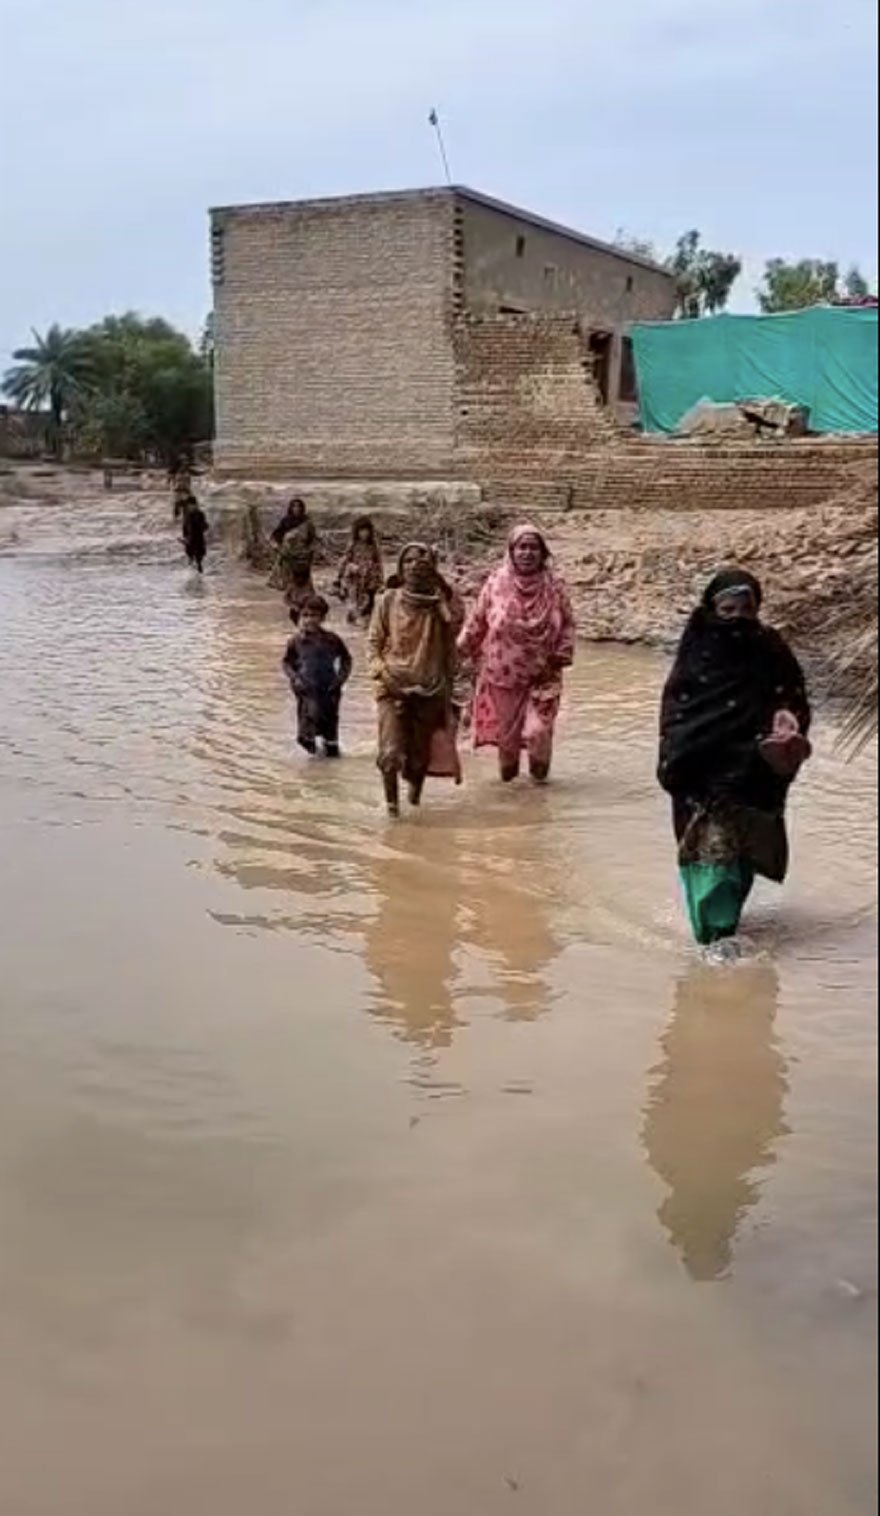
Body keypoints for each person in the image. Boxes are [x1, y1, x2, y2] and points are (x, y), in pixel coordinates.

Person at [657, 568, 812, 951]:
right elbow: (677, 711)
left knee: (740, 857)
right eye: (728, 609)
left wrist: (789, 719)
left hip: (753, 769)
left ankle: (725, 930)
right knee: (711, 856)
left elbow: (792, 697)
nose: (737, 618)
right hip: (701, 771)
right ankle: (715, 940)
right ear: (712, 609)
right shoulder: (698, 650)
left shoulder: (771, 648)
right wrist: (676, 759)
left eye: (747, 610)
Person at [457, 524, 576, 783]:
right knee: (508, 743)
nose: (527, 553)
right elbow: (477, 622)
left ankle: (540, 786)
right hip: (503, 675)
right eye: (521, 547)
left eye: (533, 547)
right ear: (511, 551)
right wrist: (457, 653)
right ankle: (510, 795)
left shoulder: (554, 587)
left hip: (545, 673)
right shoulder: (496, 583)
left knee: (538, 733)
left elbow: (568, 624)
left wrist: (561, 654)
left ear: (543, 553)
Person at [368, 543, 463, 816]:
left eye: (420, 561)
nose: (413, 566)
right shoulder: (387, 600)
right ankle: (392, 813)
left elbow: (456, 627)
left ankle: (414, 800)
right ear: (400, 566)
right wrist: (381, 672)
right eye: (407, 561)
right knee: (389, 754)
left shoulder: (441, 605)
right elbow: (373, 643)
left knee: (419, 759)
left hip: (430, 688)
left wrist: (439, 590)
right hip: (392, 685)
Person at [282, 594, 352, 757]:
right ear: (299, 617)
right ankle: (313, 768)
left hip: (329, 689)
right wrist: (295, 678)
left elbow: (346, 659)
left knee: (330, 732)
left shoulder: (332, 640)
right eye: (305, 615)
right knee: (307, 730)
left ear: (322, 618)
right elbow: (286, 662)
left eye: (314, 616)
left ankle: (330, 763)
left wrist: (341, 680)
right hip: (307, 689)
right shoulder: (296, 641)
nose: (309, 620)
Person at [269, 497, 319, 620]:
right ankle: (296, 612)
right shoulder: (286, 522)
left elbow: (314, 541)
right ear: (290, 509)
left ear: (303, 508)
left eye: (299, 506)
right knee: (292, 588)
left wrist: (309, 553)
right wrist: (279, 549)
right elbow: (274, 538)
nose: (296, 509)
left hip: (303, 560)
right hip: (289, 560)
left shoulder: (308, 523)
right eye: (294, 506)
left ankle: (308, 613)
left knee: (306, 587)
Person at [335, 515, 384, 624]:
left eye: (366, 531)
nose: (364, 534)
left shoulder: (373, 546)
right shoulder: (352, 545)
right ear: (357, 532)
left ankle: (366, 619)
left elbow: (379, 562)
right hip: (355, 578)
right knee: (354, 599)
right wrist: (348, 569)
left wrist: (381, 579)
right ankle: (354, 617)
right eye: (361, 531)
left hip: (370, 578)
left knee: (369, 599)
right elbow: (345, 560)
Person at [180, 495, 208, 574]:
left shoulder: (200, 514)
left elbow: (204, 525)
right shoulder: (187, 515)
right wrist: (185, 536)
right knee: (190, 553)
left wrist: (203, 525)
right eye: (189, 506)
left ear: (195, 505)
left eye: (191, 505)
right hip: (191, 538)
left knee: (199, 555)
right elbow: (185, 526)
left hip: (198, 537)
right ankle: (192, 565)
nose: (190, 507)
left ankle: (199, 567)